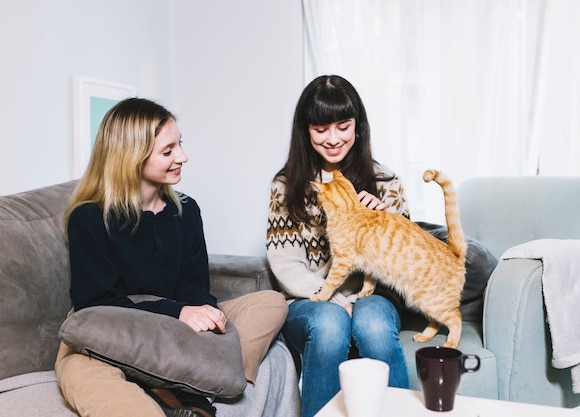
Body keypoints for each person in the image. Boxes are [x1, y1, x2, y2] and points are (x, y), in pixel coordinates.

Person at [55, 97, 291, 417]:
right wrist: (178, 312)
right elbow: (95, 303)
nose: (183, 156)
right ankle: (170, 391)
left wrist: (203, 309)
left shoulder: (186, 210)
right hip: (112, 329)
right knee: (80, 373)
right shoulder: (89, 218)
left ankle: (199, 388)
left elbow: (194, 284)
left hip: (176, 335)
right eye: (168, 151)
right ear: (131, 157)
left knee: (271, 303)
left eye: (179, 144)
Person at [266, 75, 411, 417]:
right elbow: (286, 265)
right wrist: (333, 297)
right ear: (305, 131)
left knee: (373, 324)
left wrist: (381, 227)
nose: (333, 139)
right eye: (320, 129)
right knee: (331, 323)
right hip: (311, 301)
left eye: (343, 126)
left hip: (374, 296)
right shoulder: (286, 186)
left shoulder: (387, 184)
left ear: (358, 127)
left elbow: (405, 271)